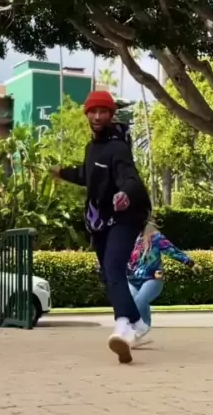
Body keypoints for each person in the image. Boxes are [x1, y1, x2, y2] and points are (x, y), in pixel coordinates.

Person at [52, 90, 151, 364]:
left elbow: (129, 177)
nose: (97, 116)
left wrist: (125, 194)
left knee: (113, 268)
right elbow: (87, 174)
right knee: (108, 275)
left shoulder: (118, 147)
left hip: (127, 215)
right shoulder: (91, 148)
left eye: (103, 112)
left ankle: (122, 329)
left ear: (110, 115)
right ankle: (138, 323)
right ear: (87, 114)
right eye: (93, 111)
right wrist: (63, 173)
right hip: (101, 220)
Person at [128, 220, 201, 330]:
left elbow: (172, 251)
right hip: (132, 279)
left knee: (140, 300)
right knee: (134, 304)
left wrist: (190, 263)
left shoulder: (156, 238)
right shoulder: (129, 239)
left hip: (151, 278)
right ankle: (135, 330)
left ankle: (145, 327)